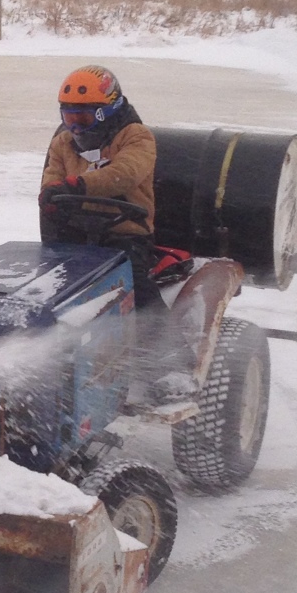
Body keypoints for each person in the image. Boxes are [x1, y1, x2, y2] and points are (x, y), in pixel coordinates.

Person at [38, 65, 197, 405]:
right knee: (49, 287)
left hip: (125, 233)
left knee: (135, 286)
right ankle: (52, 358)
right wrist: (51, 196)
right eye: (68, 117)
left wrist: (79, 185)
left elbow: (125, 173)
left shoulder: (137, 137)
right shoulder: (63, 143)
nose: (75, 127)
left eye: (83, 118)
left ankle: (173, 365)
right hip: (75, 234)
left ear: (107, 111)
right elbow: (51, 180)